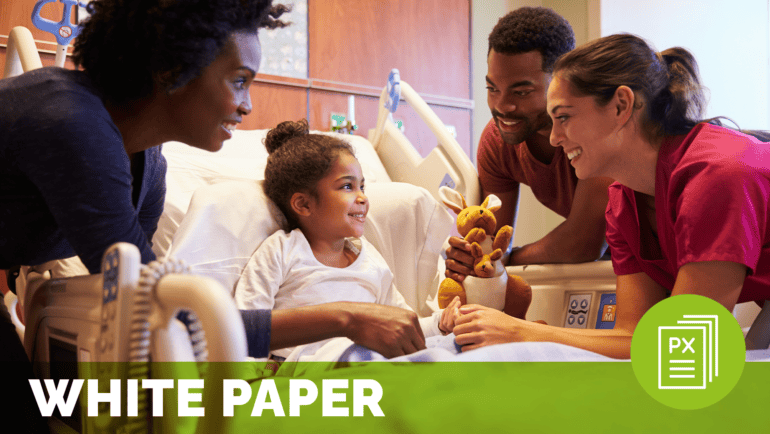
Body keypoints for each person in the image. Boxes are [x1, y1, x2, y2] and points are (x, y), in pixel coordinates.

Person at [1, 0, 425, 376]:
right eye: (239, 81)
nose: (248, 105)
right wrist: (345, 319)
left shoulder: (148, 168)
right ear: (172, 70)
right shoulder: (72, 123)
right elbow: (159, 307)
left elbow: (146, 299)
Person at [453, 33, 770, 359]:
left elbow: (687, 344)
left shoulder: (717, 176)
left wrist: (522, 332)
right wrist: (522, 333)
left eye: (563, 117)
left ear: (621, 105)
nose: (554, 137)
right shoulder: (623, 202)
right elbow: (632, 337)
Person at [235, 120, 460, 360]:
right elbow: (246, 327)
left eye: (362, 186)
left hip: (370, 363)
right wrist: (255, 380)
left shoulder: (370, 258)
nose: (362, 197)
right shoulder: (282, 251)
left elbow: (402, 325)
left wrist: (439, 323)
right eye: (347, 186)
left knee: (453, 347)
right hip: (310, 368)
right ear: (303, 204)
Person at [445, 7, 613, 284]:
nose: (502, 106)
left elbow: (583, 243)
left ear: (562, 78)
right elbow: (492, 242)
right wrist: (474, 257)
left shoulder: (597, 130)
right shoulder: (497, 143)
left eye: (521, 91)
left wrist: (508, 258)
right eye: (492, 89)